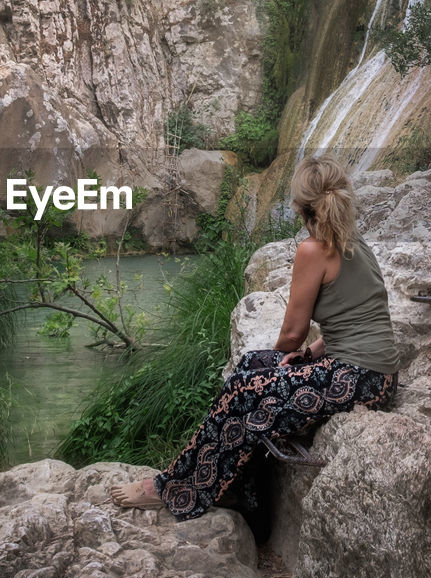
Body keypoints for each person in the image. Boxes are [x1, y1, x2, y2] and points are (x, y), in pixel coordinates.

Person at [111, 155, 400, 519]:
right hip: (377, 374)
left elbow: (291, 334)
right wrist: (310, 353)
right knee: (250, 365)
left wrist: (286, 358)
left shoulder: (314, 249)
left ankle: (172, 488)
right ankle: (235, 490)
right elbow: (359, 316)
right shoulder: (352, 240)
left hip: (359, 378)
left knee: (248, 388)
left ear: (299, 206)